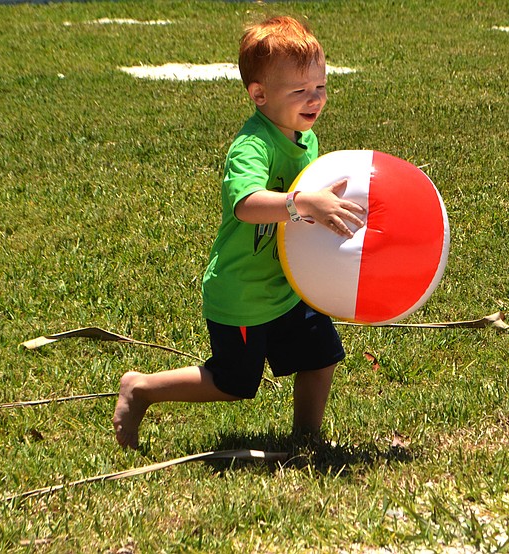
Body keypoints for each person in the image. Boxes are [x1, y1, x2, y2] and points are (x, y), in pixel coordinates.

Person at [113, 16, 366, 450]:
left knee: (322, 357)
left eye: (321, 87)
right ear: (259, 95)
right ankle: (142, 388)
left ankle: (306, 438)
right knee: (233, 382)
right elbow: (246, 205)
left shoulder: (307, 140)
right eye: (300, 91)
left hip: (288, 287)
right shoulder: (252, 146)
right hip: (243, 292)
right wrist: (301, 203)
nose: (315, 99)